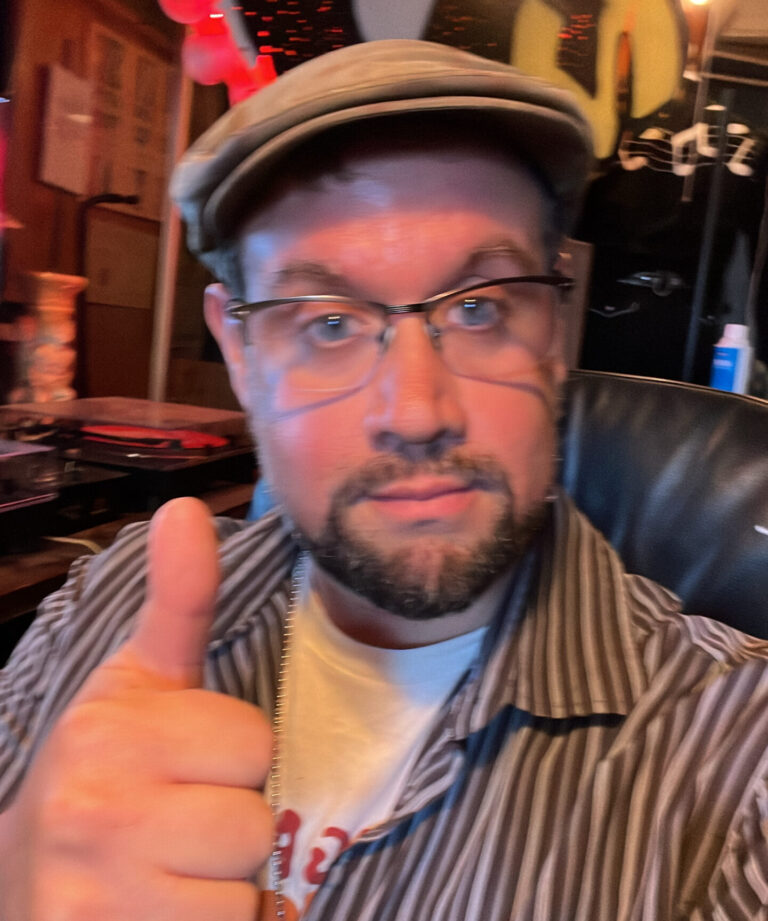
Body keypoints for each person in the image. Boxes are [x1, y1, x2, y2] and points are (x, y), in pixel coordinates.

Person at [1, 39, 767, 921]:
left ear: (554, 332)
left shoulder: (737, 765)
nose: (414, 410)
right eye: (328, 321)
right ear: (242, 352)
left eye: (479, 308)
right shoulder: (106, 603)